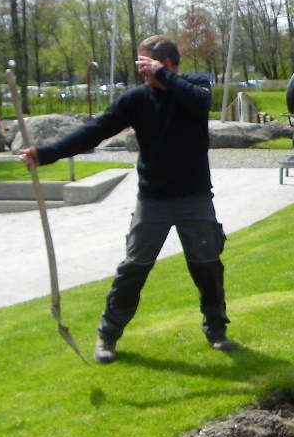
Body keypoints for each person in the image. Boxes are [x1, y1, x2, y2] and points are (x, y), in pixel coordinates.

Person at [20, 35, 231, 364]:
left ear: (166, 64)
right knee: (133, 270)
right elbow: (94, 132)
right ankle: (108, 335)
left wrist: (161, 74)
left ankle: (217, 331)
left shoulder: (195, 87)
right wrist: (45, 154)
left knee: (208, 269)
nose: (141, 72)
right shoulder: (135, 100)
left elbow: (200, 103)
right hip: (154, 200)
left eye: (145, 65)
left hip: (195, 198)